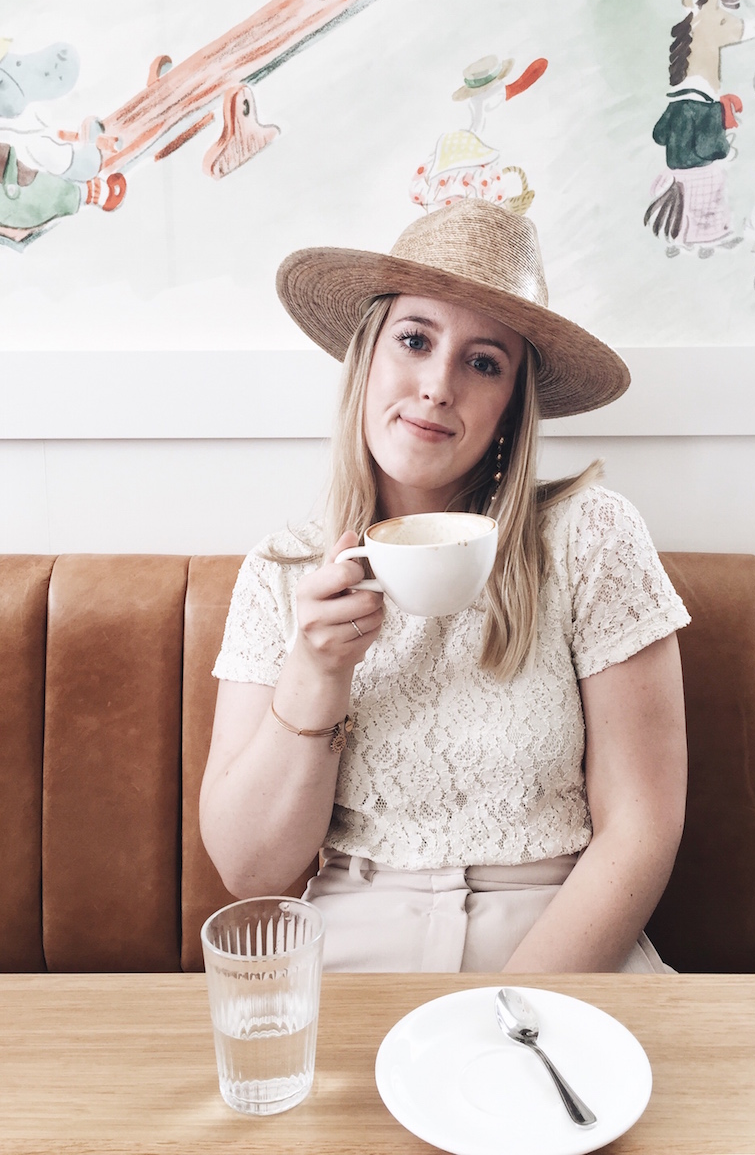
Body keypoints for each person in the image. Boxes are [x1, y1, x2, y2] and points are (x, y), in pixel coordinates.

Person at [199, 198, 691, 973]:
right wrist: (316, 672)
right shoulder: (282, 570)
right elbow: (251, 871)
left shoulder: (591, 538)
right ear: (368, 357)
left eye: (483, 361)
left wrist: (509, 1011)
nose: (436, 386)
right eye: (415, 340)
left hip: (565, 946)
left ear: (509, 407)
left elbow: (641, 827)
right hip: (350, 950)